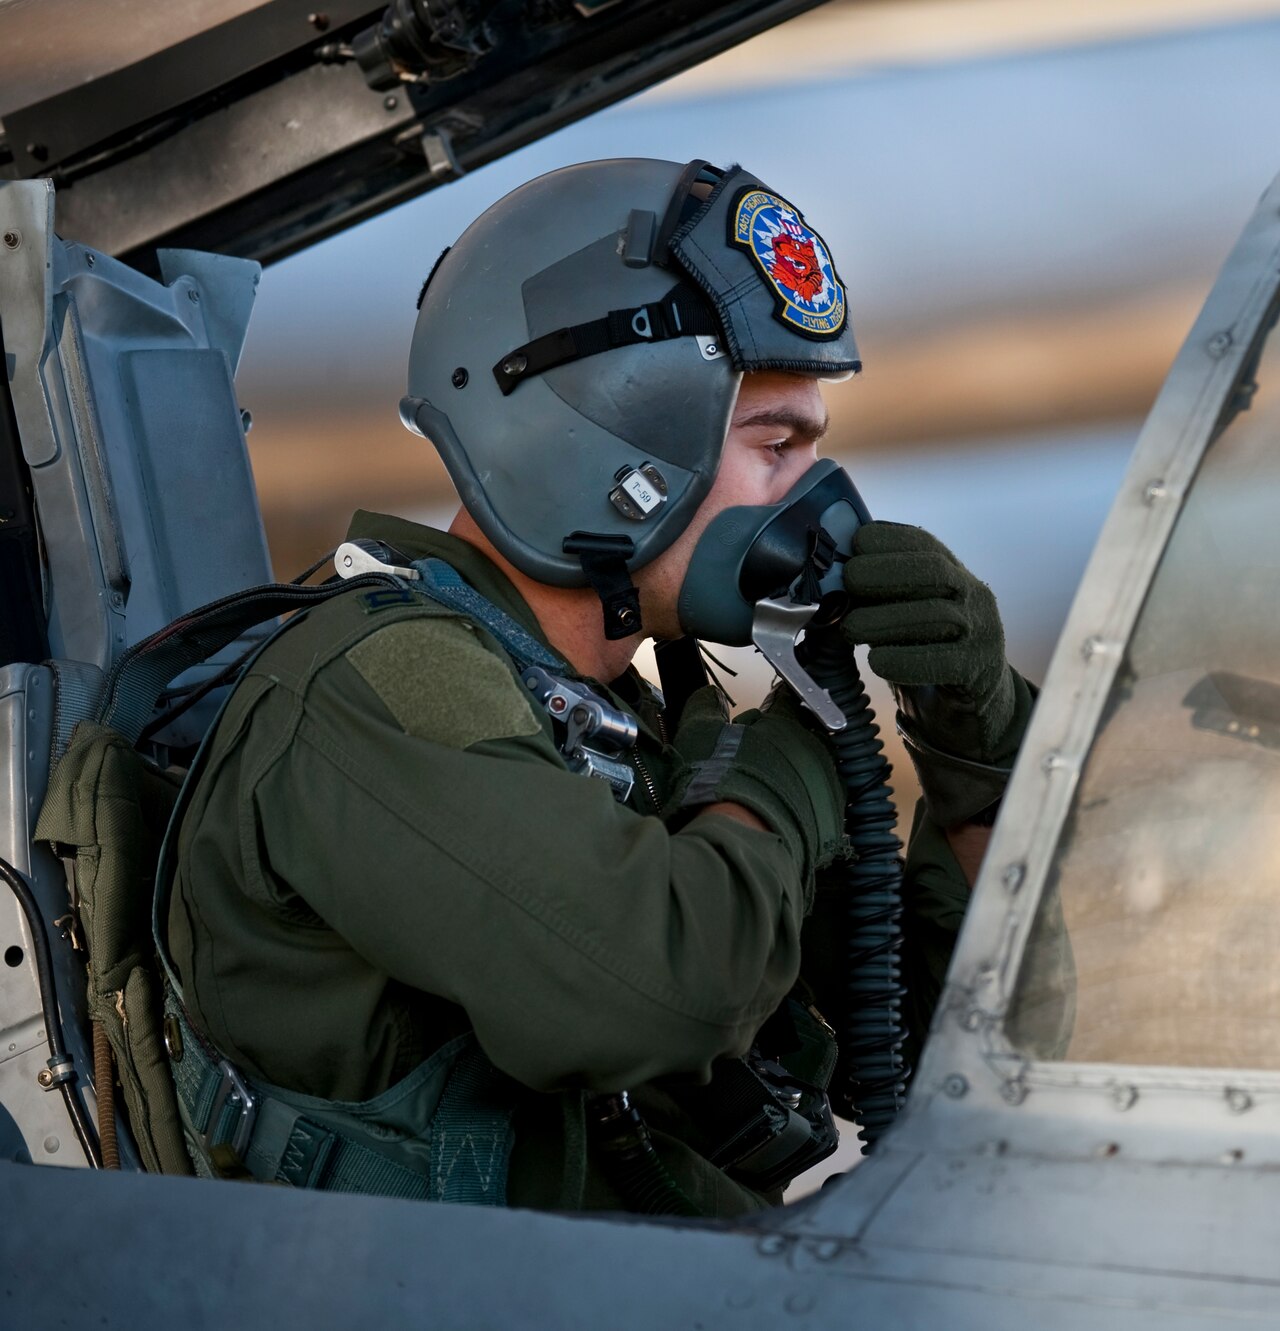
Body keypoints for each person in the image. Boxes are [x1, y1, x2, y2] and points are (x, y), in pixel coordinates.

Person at [158, 159, 1033, 1214]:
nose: (818, 496)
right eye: (776, 442)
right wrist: (810, 742)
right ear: (610, 444)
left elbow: (948, 1029)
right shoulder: (385, 684)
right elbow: (658, 992)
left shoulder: (626, 724)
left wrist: (971, 738)